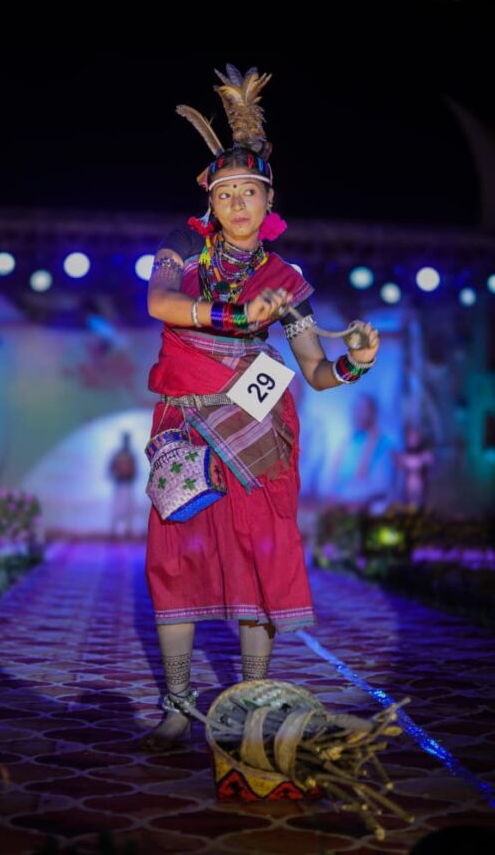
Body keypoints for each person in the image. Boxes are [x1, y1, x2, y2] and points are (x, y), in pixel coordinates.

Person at [139, 65, 380, 751]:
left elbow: (314, 371)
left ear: (269, 198)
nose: (237, 202)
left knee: (257, 553)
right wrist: (238, 315)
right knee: (175, 558)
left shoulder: (287, 280)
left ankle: (248, 704)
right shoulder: (181, 250)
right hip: (186, 422)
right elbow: (159, 304)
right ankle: (178, 706)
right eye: (225, 193)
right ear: (210, 203)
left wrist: (355, 362)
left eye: (249, 191)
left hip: (256, 428)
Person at [328, 393, 396, 512]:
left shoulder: (384, 445)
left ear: (373, 413)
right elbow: (334, 482)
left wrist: (352, 500)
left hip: (367, 508)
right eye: (356, 409)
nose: (358, 414)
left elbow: (381, 486)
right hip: (341, 507)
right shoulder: (346, 443)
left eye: (363, 410)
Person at [108, 430, 137, 538]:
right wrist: (116, 475)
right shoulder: (119, 454)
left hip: (127, 484)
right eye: (125, 440)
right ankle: (114, 531)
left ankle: (127, 531)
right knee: (117, 507)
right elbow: (112, 466)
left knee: (129, 508)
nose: (126, 442)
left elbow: (134, 469)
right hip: (120, 483)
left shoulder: (130, 455)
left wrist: (130, 476)